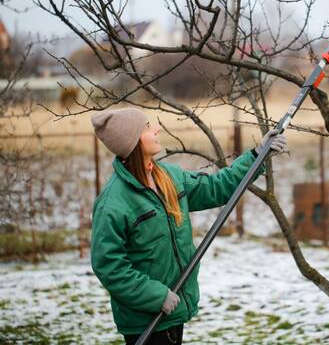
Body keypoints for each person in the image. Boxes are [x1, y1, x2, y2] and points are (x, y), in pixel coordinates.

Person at [89, 108, 287, 344]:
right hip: (145, 320)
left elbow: (217, 187)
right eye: (147, 127)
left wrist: (256, 155)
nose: (156, 129)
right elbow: (109, 266)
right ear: (132, 141)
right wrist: (157, 296)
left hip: (174, 310)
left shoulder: (170, 177)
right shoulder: (113, 202)